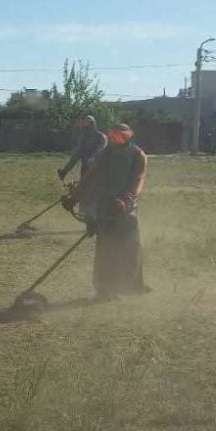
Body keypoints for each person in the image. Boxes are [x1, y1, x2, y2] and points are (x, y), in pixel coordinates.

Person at [62, 123, 151, 300]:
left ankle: (132, 285)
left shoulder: (138, 155)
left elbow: (138, 179)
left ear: (129, 135)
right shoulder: (106, 154)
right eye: (113, 134)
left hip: (126, 209)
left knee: (131, 246)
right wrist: (75, 197)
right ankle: (104, 289)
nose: (116, 138)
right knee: (106, 248)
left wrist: (126, 200)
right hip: (105, 206)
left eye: (120, 135)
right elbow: (90, 177)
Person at [57, 115, 107, 182]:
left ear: (92, 125)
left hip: (96, 157)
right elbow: (79, 148)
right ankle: (64, 172)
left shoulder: (100, 136)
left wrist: (92, 157)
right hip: (86, 154)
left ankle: (86, 181)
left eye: (88, 125)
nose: (86, 128)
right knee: (75, 157)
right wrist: (75, 153)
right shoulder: (84, 136)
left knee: (88, 162)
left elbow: (101, 149)